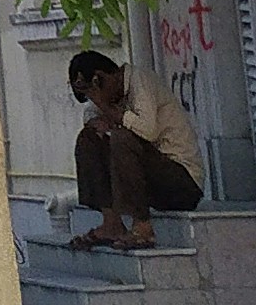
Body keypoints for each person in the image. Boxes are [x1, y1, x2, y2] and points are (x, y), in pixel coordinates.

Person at [68, 48, 202, 250]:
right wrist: (97, 120)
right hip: (153, 185)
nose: (95, 102)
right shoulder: (112, 97)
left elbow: (148, 131)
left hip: (183, 183)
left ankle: (142, 228)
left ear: (101, 79)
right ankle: (111, 223)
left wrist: (108, 109)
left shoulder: (141, 82)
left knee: (123, 138)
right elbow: (89, 115)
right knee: (89, 139)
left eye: (93, 94)